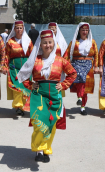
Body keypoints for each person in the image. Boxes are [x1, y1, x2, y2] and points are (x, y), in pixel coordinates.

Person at [18, 30, 76, 163]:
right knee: (39, 123)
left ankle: (46, 149)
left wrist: (64, 84)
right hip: (38, 96)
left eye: (50, 42)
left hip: (55, 96)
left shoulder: (60, 60)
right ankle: (38, 150)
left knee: (51, 123)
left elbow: (72, 73)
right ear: (40, 44)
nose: (47, 45)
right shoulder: (35, 60)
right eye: (44, 43)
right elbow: (22, 75)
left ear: (54, 43)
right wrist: (30, 85)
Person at [64, 22, 99, 115]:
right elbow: (67, 54)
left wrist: (96, 66)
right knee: (80, 78)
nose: (85, 32)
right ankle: (79, 97)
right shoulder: (74, 43)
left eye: (86, 30)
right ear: (79, 31)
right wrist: (66, 66)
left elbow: (96, 54)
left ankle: (83, 106)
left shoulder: (92, 42)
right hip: (76, 64)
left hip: (88, 65)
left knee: (86, 86)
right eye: (83, 30)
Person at [4, 20, 34, 116]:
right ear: (14, 29)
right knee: (17, 86)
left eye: (20, 28)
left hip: (25, 68)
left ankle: (24, 106)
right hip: (14, 67)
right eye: (17, 28)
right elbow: (6, 55)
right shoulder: (10, 41)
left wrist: (34, 67)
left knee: (25, 87)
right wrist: (5, 66)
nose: (19, 29)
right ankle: (18, 106)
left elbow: (32, 55)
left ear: (23, 29)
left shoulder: (28, 41)